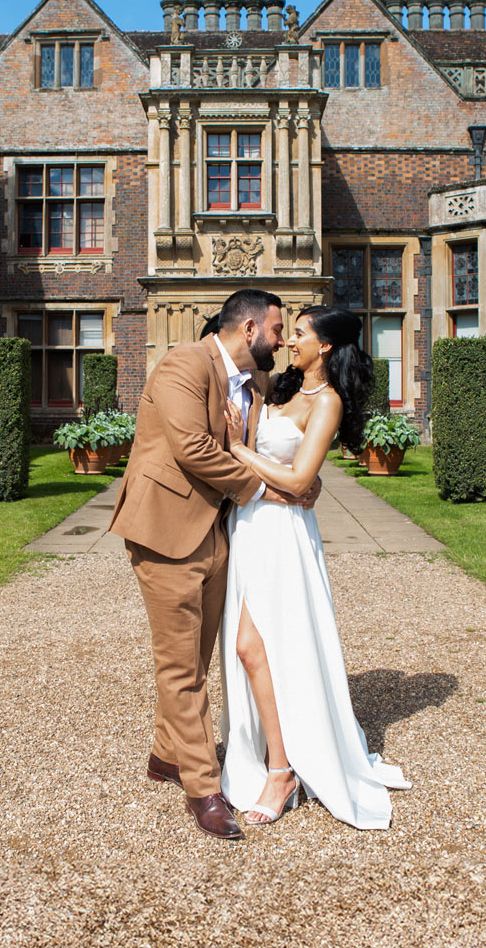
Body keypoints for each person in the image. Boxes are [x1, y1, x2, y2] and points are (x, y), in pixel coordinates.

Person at [107, 289, 319, 841]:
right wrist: (266, 494)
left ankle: (163, 755)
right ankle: (202, 788)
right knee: (179, 667)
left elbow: (265, 445)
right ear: (249, 330)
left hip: (218, 535)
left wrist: (303, 480)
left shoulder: (258, 384)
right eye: (277, 330)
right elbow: (192, 448)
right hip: (164, 531)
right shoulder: (183, 363)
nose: (282, 340)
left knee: (196, 660)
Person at [219, 305, 411, 829]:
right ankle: (276, 759)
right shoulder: (277, 389)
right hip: (251, 527)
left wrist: (238, 449)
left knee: (255, 645)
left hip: (283, 538)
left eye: (298, 333)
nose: (289, 342)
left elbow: (303, 480)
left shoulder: (325, 402)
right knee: (250, 647)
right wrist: (265, 472)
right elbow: (290, 481)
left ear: (325, 345)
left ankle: (281, 770)